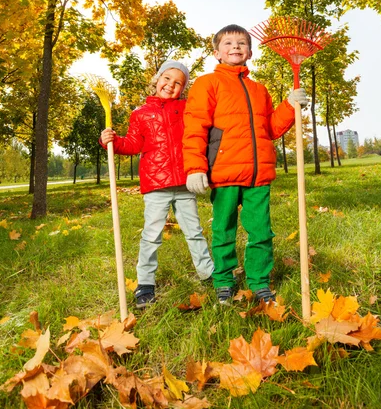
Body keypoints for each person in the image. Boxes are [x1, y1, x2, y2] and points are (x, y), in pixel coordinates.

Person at [183, 24, 308, 305]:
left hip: (258, 174)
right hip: (224, 172)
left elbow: (271, 129)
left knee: (261, 231)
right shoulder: (207, 84)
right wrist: (194, 167)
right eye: (228, 43)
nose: (235, 47)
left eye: (241, 43)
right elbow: (195, 127)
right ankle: (224, 280)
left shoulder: (259, 90)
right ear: (216, 53)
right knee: (223, 231)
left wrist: (289, 105)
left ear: (250, 52)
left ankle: (259, 281)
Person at [100, 60, 214, 309]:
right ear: (157, 79)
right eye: (167, 79)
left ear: (182, 89)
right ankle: (145, 284)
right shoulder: (140, 114)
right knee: (151, 235)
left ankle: (207, 272)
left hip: (185, 183)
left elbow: (198, 135)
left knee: (194, 231)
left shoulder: (187, 109)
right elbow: (132, 144)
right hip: (156, 184)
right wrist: (112, 141)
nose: (170, 85)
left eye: (177, 83)